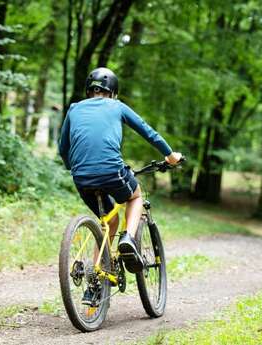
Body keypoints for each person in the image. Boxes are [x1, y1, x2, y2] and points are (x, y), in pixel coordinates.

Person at [59, 67, 182, 280]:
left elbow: (63, 148)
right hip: (111, 172)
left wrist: (76, 167)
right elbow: (148, 132)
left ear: (89, 91)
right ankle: (128, 240)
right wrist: (170, 155)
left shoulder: (74, 109)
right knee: (135, 196)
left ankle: (97, 273)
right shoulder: (117, 106)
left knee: (109, 219)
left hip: (80, 177)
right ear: (113, 92)